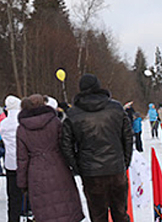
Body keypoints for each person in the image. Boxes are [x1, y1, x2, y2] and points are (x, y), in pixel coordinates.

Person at [61, 74, 133, 222]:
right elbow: (128, 137)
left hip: (93, 172)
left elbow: (66, 145)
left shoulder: (73, 113)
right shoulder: (116, 108)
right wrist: (124, 162)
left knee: (98, 216)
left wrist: (79, 167)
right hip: (114, 169)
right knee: (120, 214)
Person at [17, 95, 84, 222]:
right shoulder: (54, 121)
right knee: (65, 205)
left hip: (36, 171)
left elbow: (22, 158)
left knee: (44, 209)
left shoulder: (22, 128)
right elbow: (64, 145)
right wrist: (73, 164)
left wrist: (22, 182)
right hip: (59, 166)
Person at [0, 95, 24, 222]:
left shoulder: (3, 123)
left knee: (13, 196)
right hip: (24, 162)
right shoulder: (22, 122)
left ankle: (13, 219)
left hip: (10, 163)